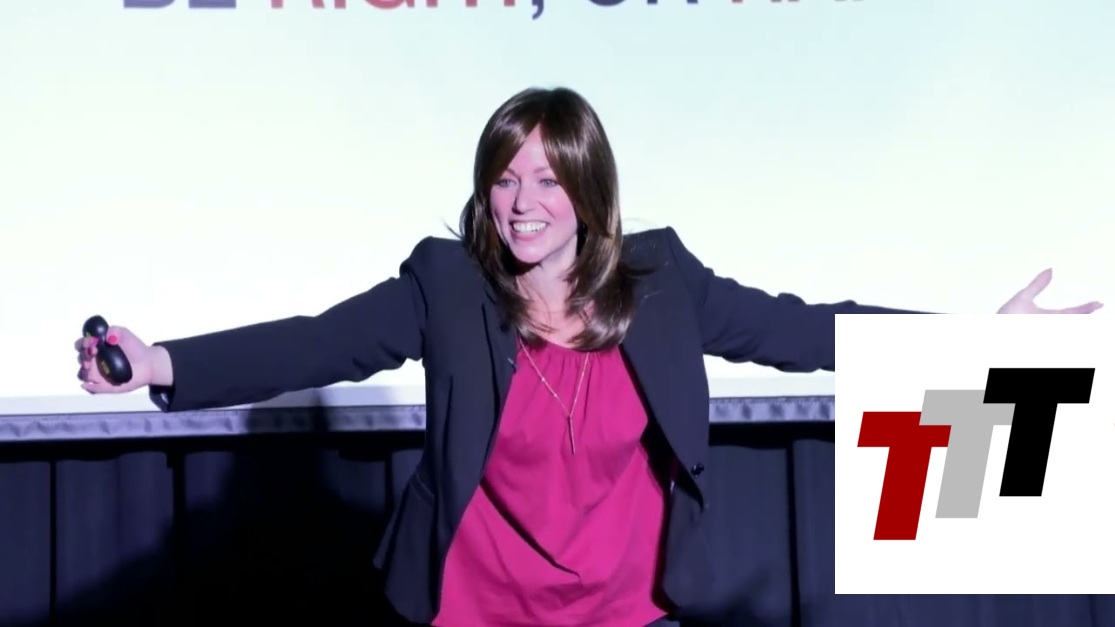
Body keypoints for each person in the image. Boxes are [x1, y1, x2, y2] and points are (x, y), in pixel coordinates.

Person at [74, 87, 1102, 627]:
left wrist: (974, 340)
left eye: (545, 179)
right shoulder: (445, 286)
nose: (520, 203)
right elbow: (315, 341)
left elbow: (803, 330)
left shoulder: (663, 285)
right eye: (502, 179)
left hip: (625, 611)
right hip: (473, 613)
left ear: (588, 189)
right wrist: (159, 361)